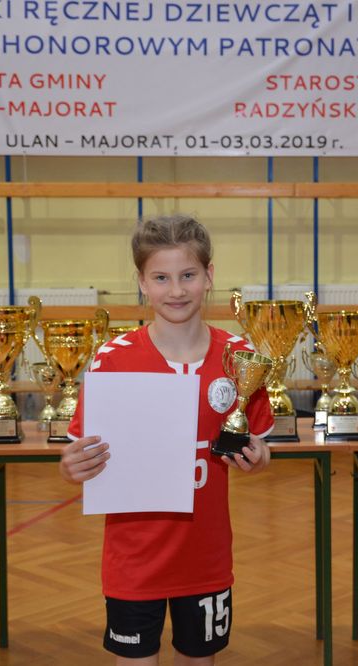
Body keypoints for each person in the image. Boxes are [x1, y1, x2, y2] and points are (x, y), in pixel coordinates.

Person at [59, 214, 274, 666]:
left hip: (206, 557)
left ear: (209, 275)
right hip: (134, 560)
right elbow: (79, 454)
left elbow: (259, 446)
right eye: (161, 277)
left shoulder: (239, 357)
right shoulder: (113, 360)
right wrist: (71, 466)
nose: (176, 290)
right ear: (142, 283)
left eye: (188, 275)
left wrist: (258, 458)